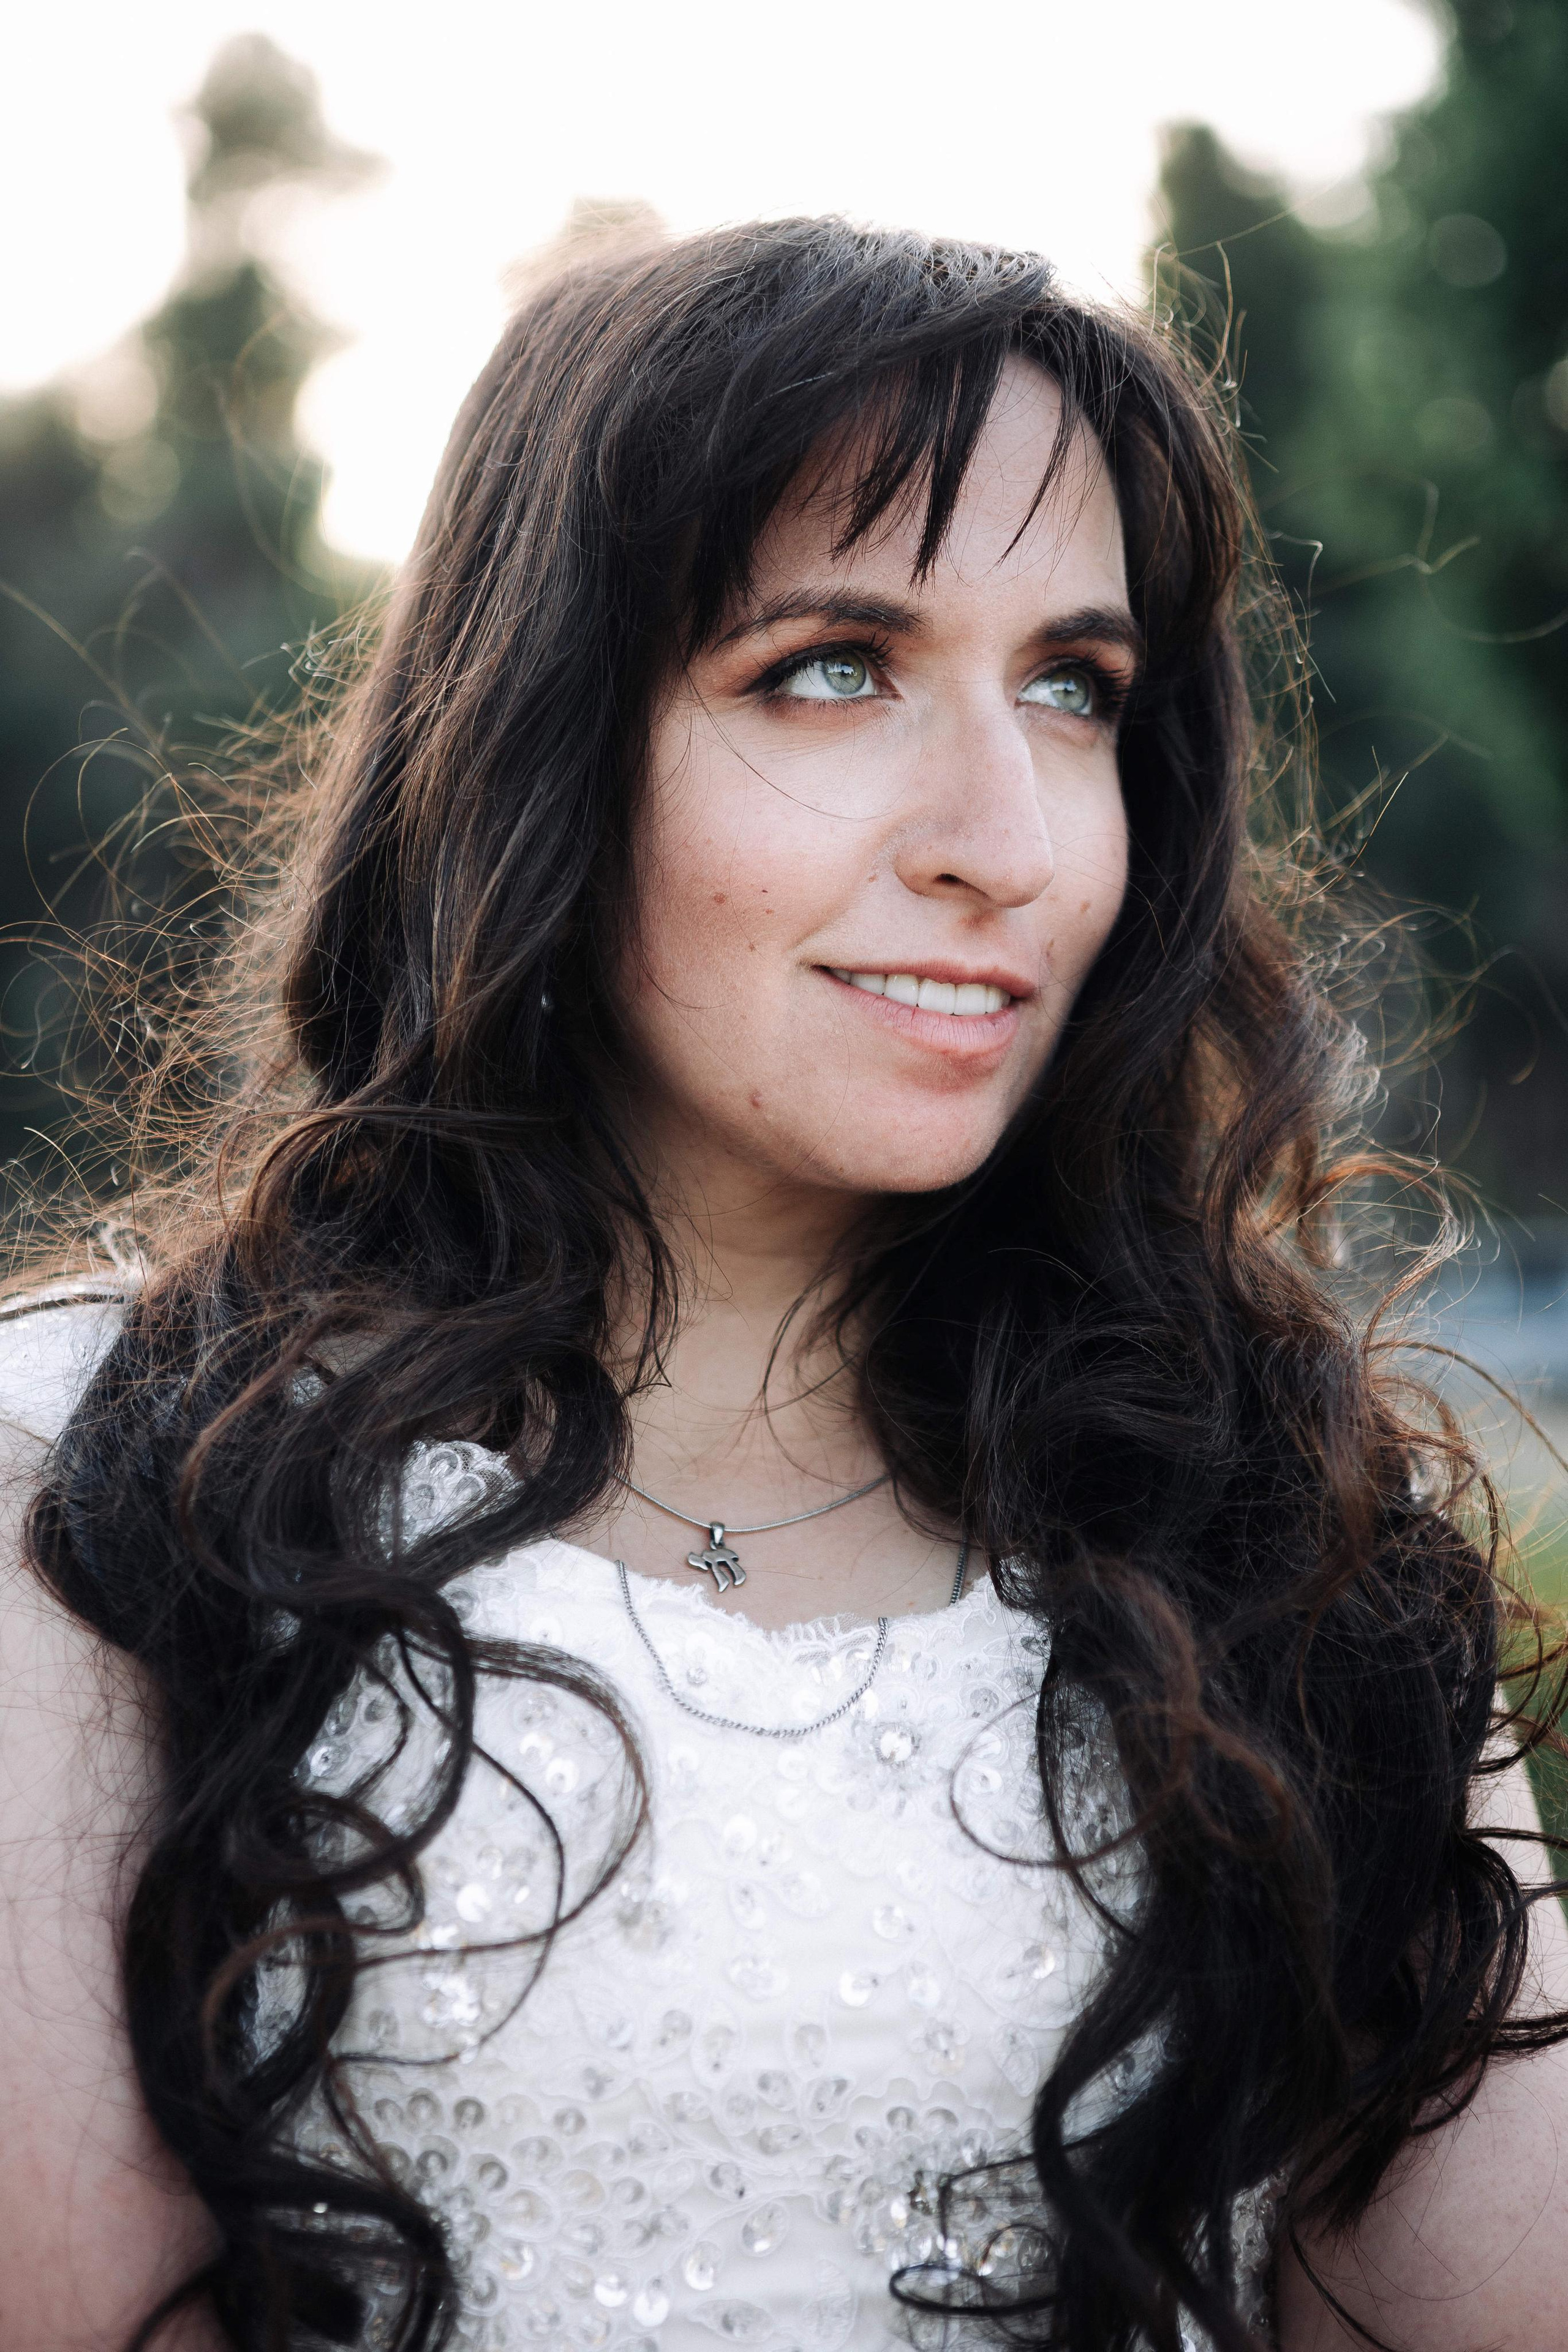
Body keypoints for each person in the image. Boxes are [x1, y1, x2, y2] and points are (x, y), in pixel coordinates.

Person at [1, 216, 1565, 2352]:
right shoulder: (94, 1482)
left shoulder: (1298, 1528)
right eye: (831, 666)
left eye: (1076, 688)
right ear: (543, 735)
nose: (1005, 839)